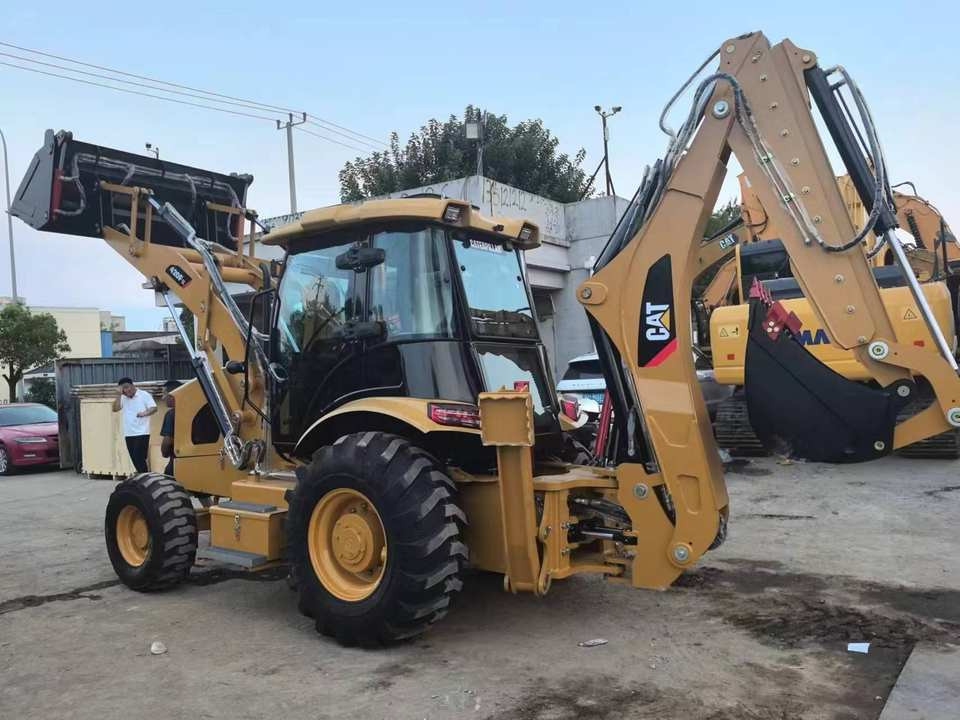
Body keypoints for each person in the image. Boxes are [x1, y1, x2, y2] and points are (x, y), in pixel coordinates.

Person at [112, 377, 157, 474]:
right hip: (129, 433)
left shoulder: (144, 395)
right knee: (134, 459)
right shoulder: (123, 397)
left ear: (132, 385)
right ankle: (143, 475)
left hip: (142, 432)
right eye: (123, 389)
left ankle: (145, 476)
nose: (126, 390)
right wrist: (118, 395)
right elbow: (115, 409)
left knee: (139, 456)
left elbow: (154, 408)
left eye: (127, 387)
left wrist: (144, 413)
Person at [159, 380, 181, 476]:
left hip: (177, 461)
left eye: (164, 394)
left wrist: (164, 453)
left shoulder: (171, 414)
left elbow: (168, 441)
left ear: (173, 395)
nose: (163, 398)